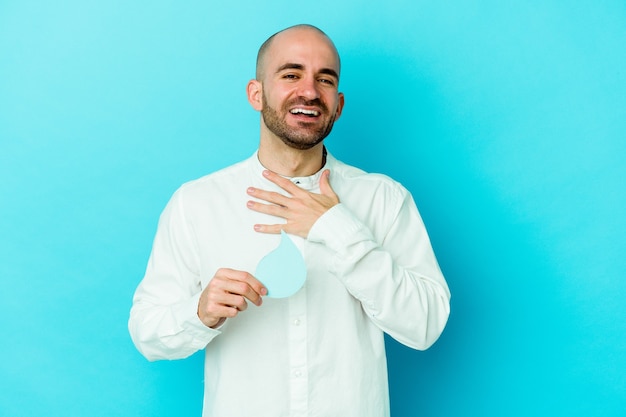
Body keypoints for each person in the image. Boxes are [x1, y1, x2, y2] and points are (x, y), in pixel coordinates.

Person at [129, 24, 451, 417]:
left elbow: (426, 324)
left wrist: (338, 228)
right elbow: (147, 333)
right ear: (256, 93)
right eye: (291, 74)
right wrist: (200, 312)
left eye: (325, 79)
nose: (310, 92)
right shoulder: (196, 204)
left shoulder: (383, 199)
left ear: (339, 104)